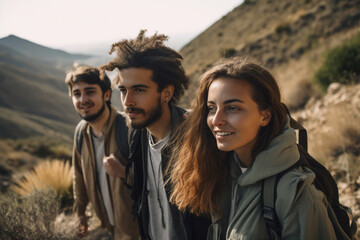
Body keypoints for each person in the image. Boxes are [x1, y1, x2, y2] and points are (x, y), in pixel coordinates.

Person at [169, 58, 349, 239]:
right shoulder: (222, 173)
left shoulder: (294, 193)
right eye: (211, 108)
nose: (216, 120)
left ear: (265, 116)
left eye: (232, 108)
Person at [100, 30, 211, 240]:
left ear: (166, 93)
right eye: (123, 90)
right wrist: (125, 174)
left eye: (139, 90)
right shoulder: (138, 137)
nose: (127, 101)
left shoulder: (196, 138)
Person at [65, 65, 139, 239]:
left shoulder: (129, 129)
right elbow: (78, 175)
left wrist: (123, 172)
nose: (83, 99)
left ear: (106, 94)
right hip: (110, 227)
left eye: (90, 92)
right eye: (77, 94)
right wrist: (80, 212)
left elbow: (156, 179)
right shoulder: (81, 133)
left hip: (139, 230)